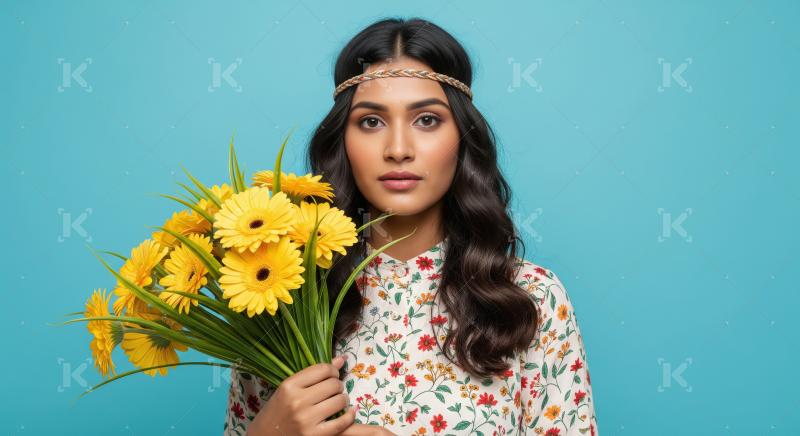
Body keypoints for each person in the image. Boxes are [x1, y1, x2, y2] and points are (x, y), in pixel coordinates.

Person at [224, 17, 599, 436]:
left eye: (427, 120)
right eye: (371, 121)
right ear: (342, 140)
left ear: (463, 137)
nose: (398, 149)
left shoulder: (531, 299)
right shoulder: (281, 298)